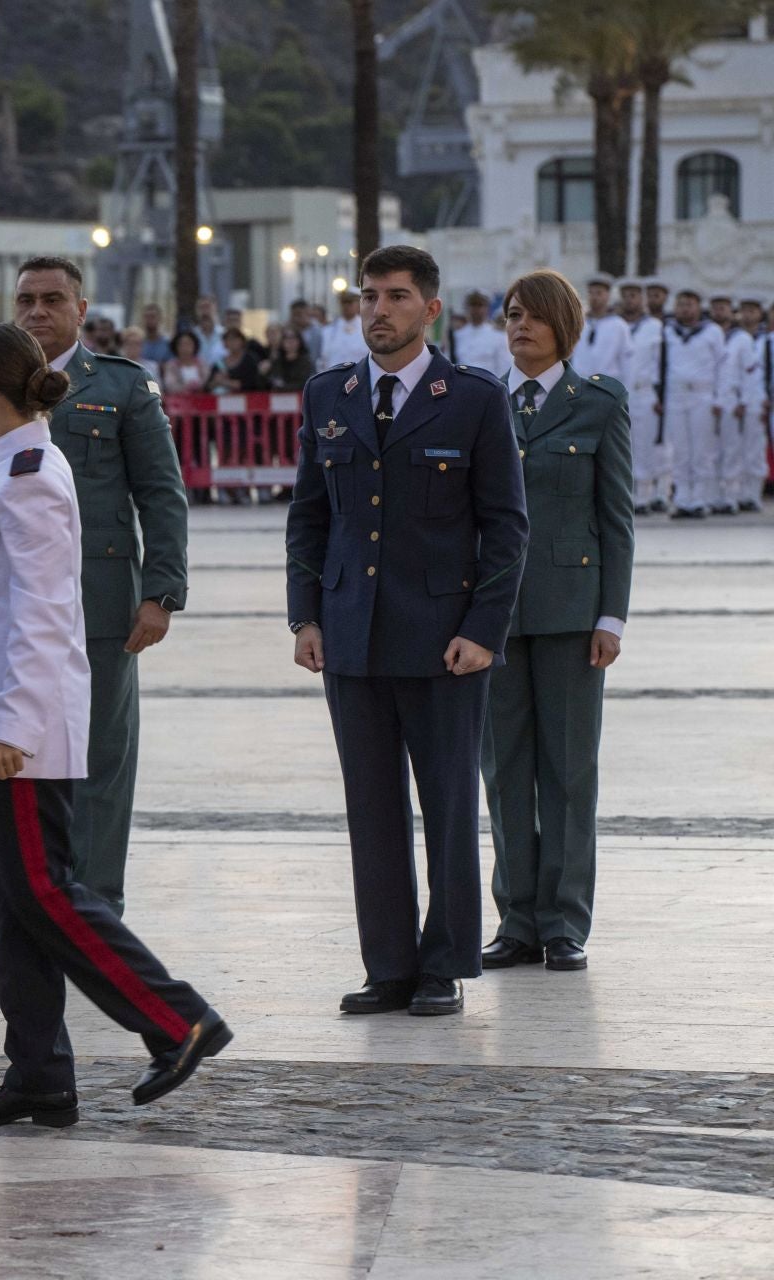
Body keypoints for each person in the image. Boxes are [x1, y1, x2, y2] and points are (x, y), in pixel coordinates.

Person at [0, 321, 228, 1130]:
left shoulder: (29, 472)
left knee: (47, 893)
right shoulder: (8, 461)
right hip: (1, 726)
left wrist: (11, 726)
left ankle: (177, 1019)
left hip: (21, 732)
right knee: (15, 904)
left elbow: (40, 616)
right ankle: (38, 1072)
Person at [284, 244, 529, 1018]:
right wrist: (305, 614)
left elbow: (506, 527)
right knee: (372, 808)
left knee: (449, 805)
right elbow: (309, 516)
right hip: (351, 635)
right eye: (367, 297)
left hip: (443, 641)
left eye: (394, 297)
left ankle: (443, 963)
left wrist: (484, 629)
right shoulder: (331, 393)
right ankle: (388, 965)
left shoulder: (473, 398)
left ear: (431, 309)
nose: (377, 310)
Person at [0, 257, 188, 918]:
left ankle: (94, 907)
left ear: (81, 310)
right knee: (11, 762)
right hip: (7, 613)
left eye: (53, 299)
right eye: (26, 298)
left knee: (99, 763)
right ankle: (37, 899)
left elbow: (161, 494)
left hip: (104, 603)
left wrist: (162, 591)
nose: (37, 311)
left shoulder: (120, 388)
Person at [481, 269, 634, 976]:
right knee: (504, 769)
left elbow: (616, 520)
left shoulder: (598, 403)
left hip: (574, 617)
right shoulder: (482, 404)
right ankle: (516, 919)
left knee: (568, 772)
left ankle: (565, 920)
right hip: (494, 617)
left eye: (534, 317)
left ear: (562, 326)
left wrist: (613, 616)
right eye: (512, 315)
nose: (520, 327)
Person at [661, 288, 727, 518]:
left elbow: (722, 367)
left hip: (703, 395)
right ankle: (682, 499)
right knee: (680, 450)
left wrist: (720, 398)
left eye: (689, 304)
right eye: (680, 304)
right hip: (676, 395)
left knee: (701, 450)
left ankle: (699, 499)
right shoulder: (668, 332)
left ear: (699, 307)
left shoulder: (712, 332)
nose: (684, 309)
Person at [619, 279, 667, 513]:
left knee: (645, 444)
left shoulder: (654, 327)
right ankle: (625, 494)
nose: (630, 300)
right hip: (621, 392)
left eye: (634, 295)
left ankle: (644, 496)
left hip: (645, 391)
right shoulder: (615, 325)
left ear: (642, 299)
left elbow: (661, 362)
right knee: (622, 445)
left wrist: (661, 396)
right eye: (626, 295)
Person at [712, 294, 755, 516]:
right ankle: (713, 496)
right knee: (711, 451)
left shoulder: (742, 339)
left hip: (732, 401)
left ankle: (730, 497)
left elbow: (749, 374)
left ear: (732, 311)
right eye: (715, 307)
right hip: (709, 402)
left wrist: (744, 401)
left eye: (724, 307)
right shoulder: (707, 334)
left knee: (732, 450)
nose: (719, 311)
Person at [738, 298, 769, 514]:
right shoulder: (734, 338)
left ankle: (753, 495)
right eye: (744, 311)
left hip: (759, 401)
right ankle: (737, 494)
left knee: (755, 449)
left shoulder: (767, 340)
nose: (747, 315)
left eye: (752, 310)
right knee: (735, 449)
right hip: (735, 401)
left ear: (760, 314)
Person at [570, 275, 632, 386]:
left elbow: (626, 362)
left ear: (608, 295)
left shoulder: (619, 325)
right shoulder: (579, 323)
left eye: (599, 293)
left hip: (606, 386)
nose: (594, 297)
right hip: (580, 384)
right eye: (591, 293)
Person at [447, 291, 512, 381]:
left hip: (490, 387)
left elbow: (504, 367)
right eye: (473, 305)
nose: (476, 310)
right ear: (467, 308)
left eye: (480, 305)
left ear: (487, 308)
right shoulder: (458, 335)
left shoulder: (498, 335)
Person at [318, 291, 369, 368]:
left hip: (359, 376)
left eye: (350, 302)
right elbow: (323, 358)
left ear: (358, 304)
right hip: (333, 375)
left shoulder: (366, 328)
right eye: (343, 303)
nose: (346, 306)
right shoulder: (329, 330)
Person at [212, 327, 270, 392]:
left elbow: (250, 383)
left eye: (235, 339)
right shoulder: (220, 363)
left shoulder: (250, 359)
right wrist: (215, 381)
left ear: (242, 341)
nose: (232, 342)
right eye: (228, 339)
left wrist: (225, 382)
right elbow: (208, 385)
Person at [161, 329, 210, 394]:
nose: (185, 348)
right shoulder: (171, 365)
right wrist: (187, 388)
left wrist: (198, 387)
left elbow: (207, 382)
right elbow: (170, 385)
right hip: (179, 401)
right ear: (176, 347)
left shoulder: (202, 364)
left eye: (188, 344)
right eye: (181, 345)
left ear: (195, 346)